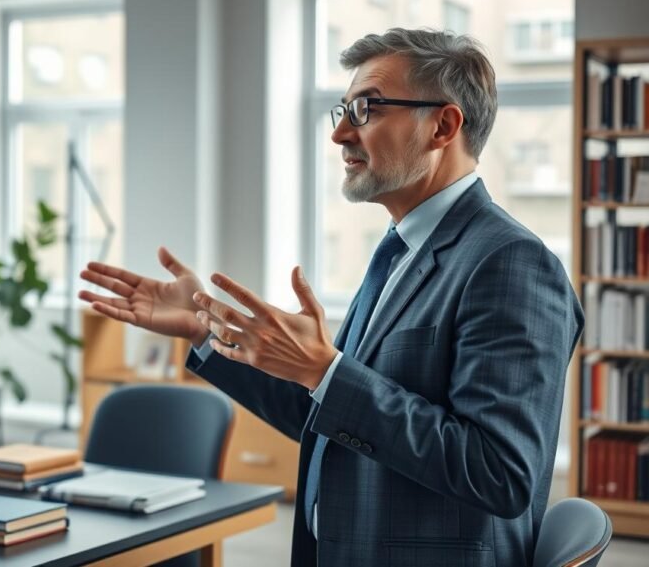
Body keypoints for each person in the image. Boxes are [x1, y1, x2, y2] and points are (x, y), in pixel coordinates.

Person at [80, 28, 584, 566]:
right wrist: (207, 329)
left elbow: (499, 472)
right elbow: (328, 412)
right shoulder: (400, 250)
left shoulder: (510, 264)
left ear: (443, 125)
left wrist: (326, 372)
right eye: (341, 111)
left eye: (365, 109)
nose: (341, 133)